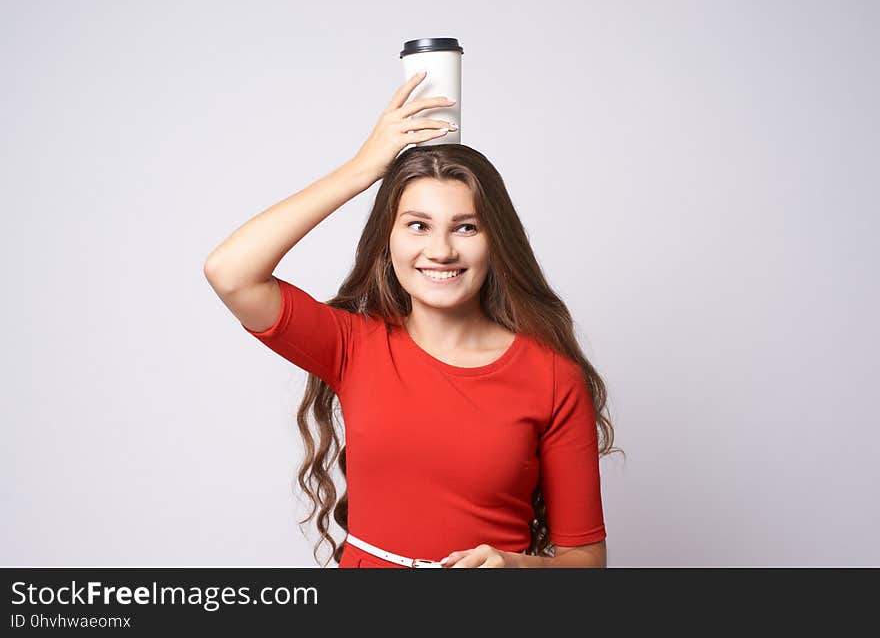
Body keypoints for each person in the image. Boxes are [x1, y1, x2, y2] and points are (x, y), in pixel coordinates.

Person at [204, 70, 624, 568]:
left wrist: (517, 567)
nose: (440, 251)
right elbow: (230, 272)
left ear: (497, 242)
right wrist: (364, 169)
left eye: (465, 227)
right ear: (389, 237)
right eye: (417, 225)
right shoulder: (353, 345)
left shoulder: (552, 377)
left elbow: (586, 563)